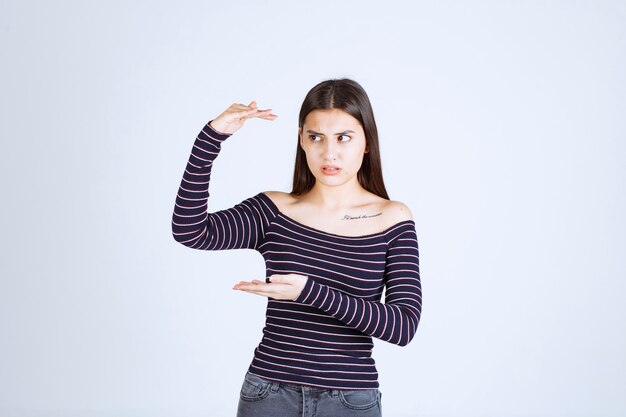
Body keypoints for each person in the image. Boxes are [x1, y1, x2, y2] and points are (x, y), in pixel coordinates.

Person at [171, 79, 421, 417]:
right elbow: (191, 230)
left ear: (366, 143)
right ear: (301, 139)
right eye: (316, 137)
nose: (329, 153)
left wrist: (309, 292)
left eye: (343, 138)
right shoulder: (275, 211)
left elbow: (402, 326)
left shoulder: (391, 219)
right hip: (269, 394)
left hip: (350, 401)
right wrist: (211, 138)